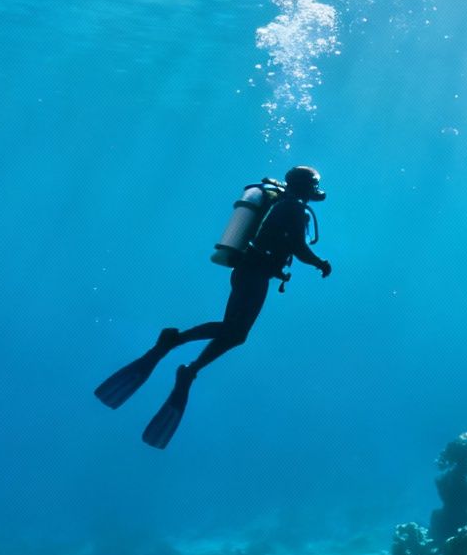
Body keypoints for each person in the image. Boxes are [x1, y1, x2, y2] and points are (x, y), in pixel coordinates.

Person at [94, 165, 333, 448]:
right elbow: (298, 247)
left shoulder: (285, 205)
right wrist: (320, 263)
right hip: (255, 271)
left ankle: (189, 367)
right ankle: (175, 344)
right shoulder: (292, 208)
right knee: (235, 330)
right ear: (306, 187)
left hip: (253, 270)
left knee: (236, 333)